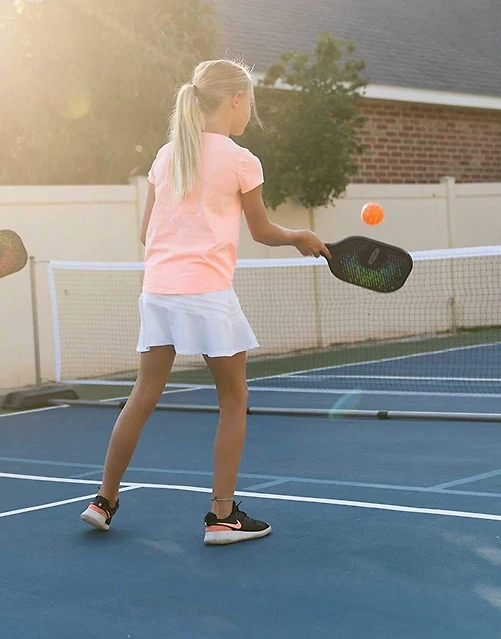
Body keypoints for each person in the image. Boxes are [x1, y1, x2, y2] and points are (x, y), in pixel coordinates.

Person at [80, 59, 330, 544]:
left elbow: (145, 233)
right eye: (248, 103)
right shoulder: (242, 160)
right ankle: (221, 517)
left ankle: (103, 500)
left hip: (157, 291)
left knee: (143, 394)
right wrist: (299, 235)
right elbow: (260, 231)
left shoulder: (166, 155)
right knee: (234, 398)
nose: (248, 113)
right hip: (208, 294)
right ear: (235, 100)